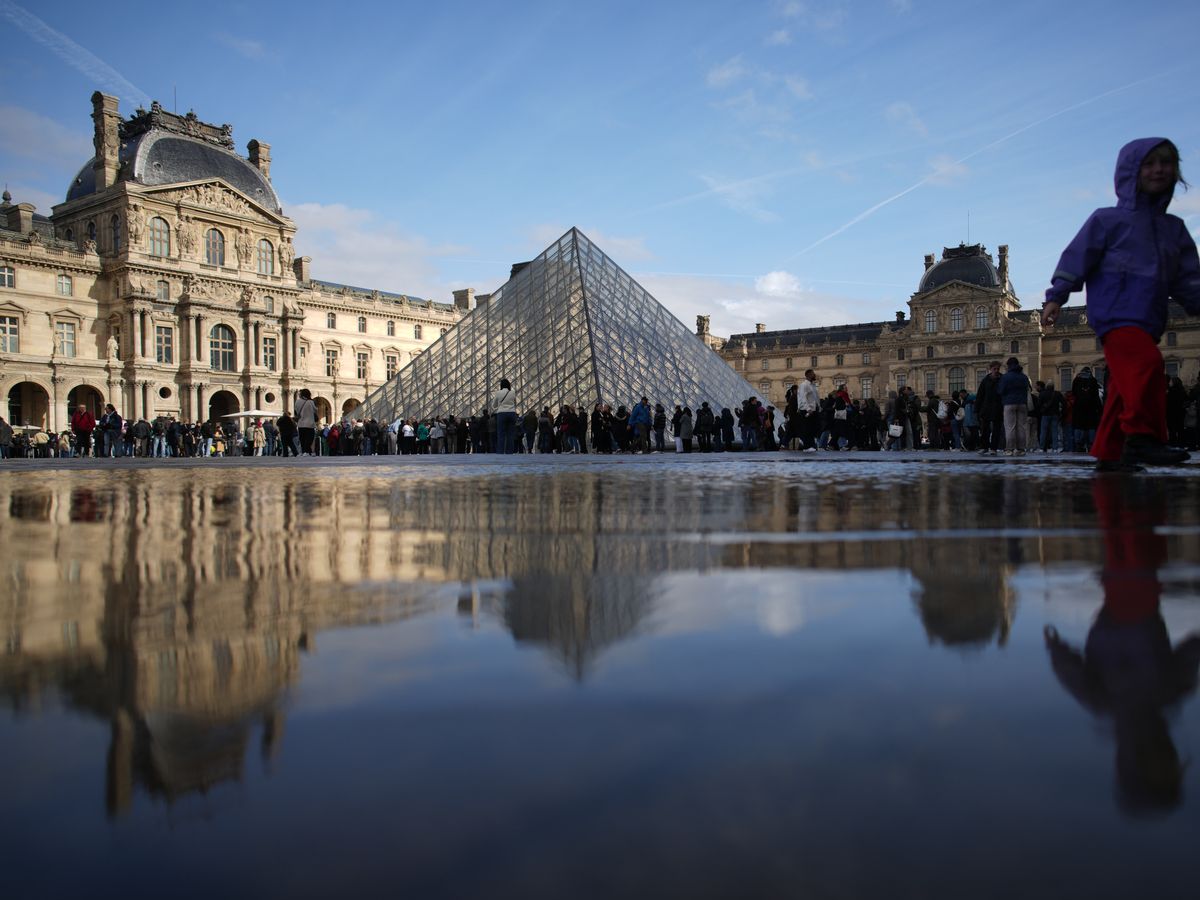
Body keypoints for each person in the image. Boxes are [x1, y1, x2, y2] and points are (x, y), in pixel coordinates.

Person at [1042, 138, 1200, 470]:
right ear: (1131, 171)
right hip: (1114, 314)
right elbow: (1076, 258)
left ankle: (1111, 452)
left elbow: (1189, 282)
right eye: (1150, 162)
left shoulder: (1175, 229)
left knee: (1122, 388)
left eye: (1166, 162)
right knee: (1149, 365)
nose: (1159, 169)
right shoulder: (1106, 220)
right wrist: (1057, 296)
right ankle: (1143, 439)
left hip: (1150, 318)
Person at [998, 356, 1031, 456]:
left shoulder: (1005, 377)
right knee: (1021, 427)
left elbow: (1000, 391)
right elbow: (1029, 388)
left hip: (1009, 403)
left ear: (1008, 365)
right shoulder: (1024, 376)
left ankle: (1010, 449)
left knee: (1010, 427)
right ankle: (1021, 449)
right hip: (1022, 403)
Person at [491, 379, 518, 454]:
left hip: (501, 414)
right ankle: (509, 452)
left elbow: (493, 405)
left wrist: (498, 407)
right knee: (510, 434)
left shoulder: (498, 393)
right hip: (511, 413)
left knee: (501, 434)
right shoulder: (512, 392)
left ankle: (500, 451)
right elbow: (515, 403)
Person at [295, 389, 318, 456]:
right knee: (309, 438)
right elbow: (315, 410)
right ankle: (307, 451)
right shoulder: (310, 402)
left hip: (301, 423)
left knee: (302, 438)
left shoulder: (297, 402)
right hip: (309, 423)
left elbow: (296, 410)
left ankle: (304, 451)